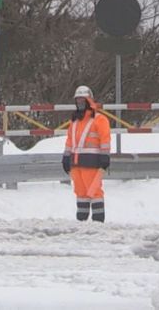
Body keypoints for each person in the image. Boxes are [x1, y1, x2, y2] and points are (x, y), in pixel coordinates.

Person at [62, 85, 111, 222]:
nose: (80, 104)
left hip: (92, 163)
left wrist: (104, 158)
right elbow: (70, 141)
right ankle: (81, 222)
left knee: (94, 193)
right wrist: (66, 157)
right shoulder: (75, 121)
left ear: (89, 101)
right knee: (81, 194)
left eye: (82, 101)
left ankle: (98, 223)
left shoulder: (99, 119)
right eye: (78, 101)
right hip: (76, 163)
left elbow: (105, 140)